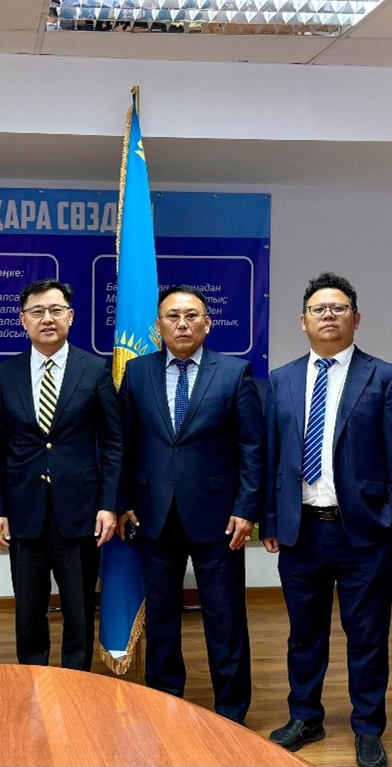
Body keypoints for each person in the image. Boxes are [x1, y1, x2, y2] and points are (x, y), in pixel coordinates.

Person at [261, 273, 392, 767]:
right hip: (301, 530)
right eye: (319, 309)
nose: (328, 315)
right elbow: (272, 456)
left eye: (339, 308)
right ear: (303, 321)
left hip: (364, 532)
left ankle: (368, 728)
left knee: (367, 636)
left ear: (356, 318)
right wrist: (270, 520)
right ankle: (305, 716)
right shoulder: (281, 379)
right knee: (303, 634)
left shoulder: (385, 377)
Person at [117, 285, 263, 723]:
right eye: (173, 316)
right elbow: (123, 443)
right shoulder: (137, 373)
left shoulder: (234, 372)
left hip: (219, 517)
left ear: (207, 324)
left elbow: (252, 446)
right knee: (162, 617)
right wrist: (124, 501)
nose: (182, 324)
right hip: (153, 513)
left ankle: (232, 713)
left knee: (225, 617)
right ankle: (165, 703)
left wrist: (247, 507)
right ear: (158, 325)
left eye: (192, 316)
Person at [0, 279, 122, 670]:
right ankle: (33, 678)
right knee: (28, 610)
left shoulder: (93, 370)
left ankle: (76, 682)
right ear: (23, 319)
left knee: (79, 609)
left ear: (70, 317)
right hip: (24, 509)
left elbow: (113, 444)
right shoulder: (5, 374)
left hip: (80, 511)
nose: (47, 318)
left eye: (56, 310)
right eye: (37, 311)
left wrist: (109, 505)